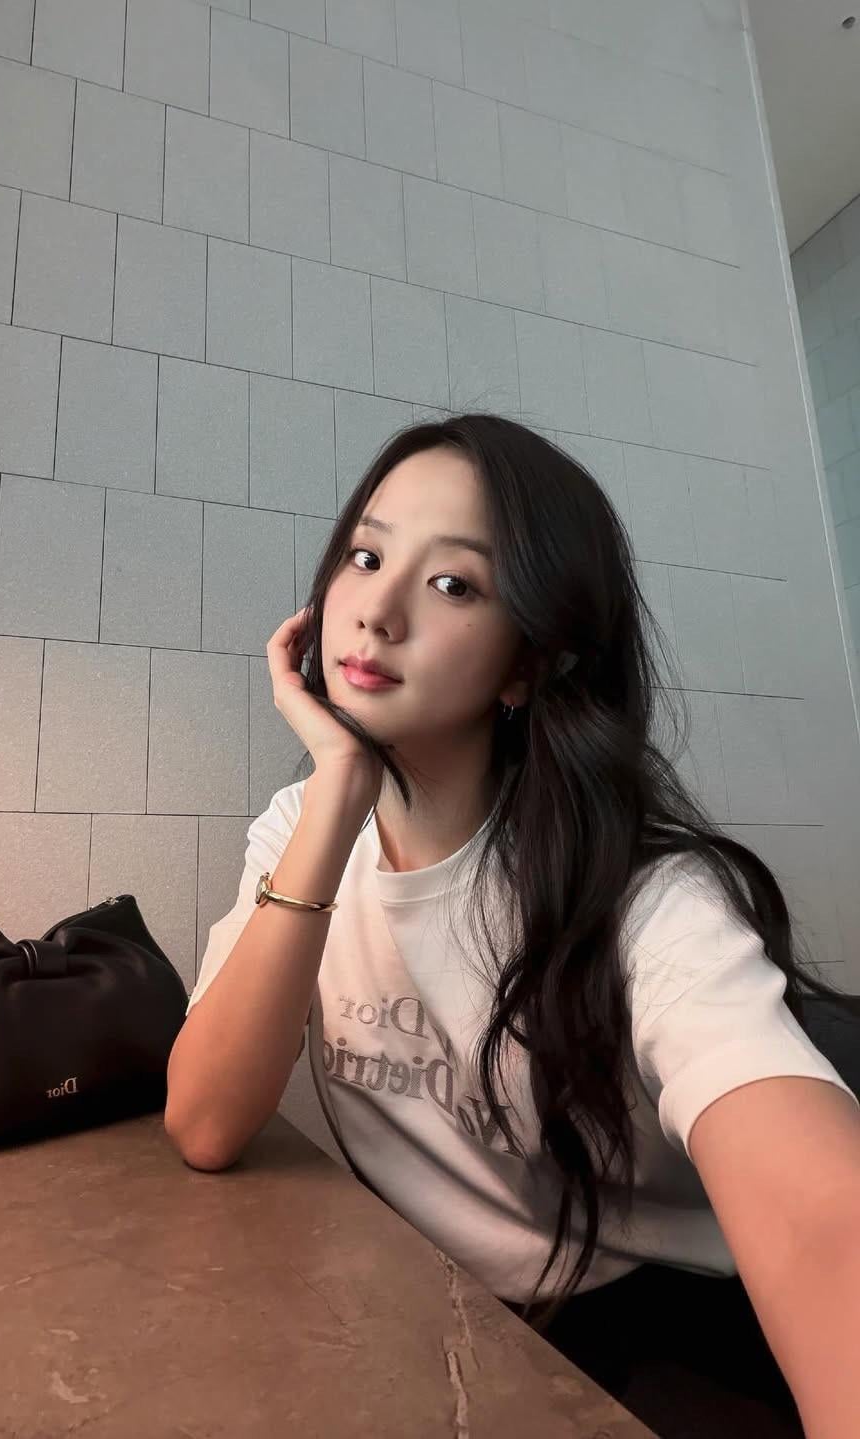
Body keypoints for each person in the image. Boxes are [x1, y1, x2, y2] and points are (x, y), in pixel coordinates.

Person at [164, 414, 860, 1438]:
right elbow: (206, 1121)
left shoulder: (646, 896)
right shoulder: (300, 829)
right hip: (441, 1315)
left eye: (454, 583)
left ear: (527, 665)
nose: (378, 611)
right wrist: (339, 792)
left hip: (660, 1320)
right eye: (366, 557)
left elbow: (827, 1228)